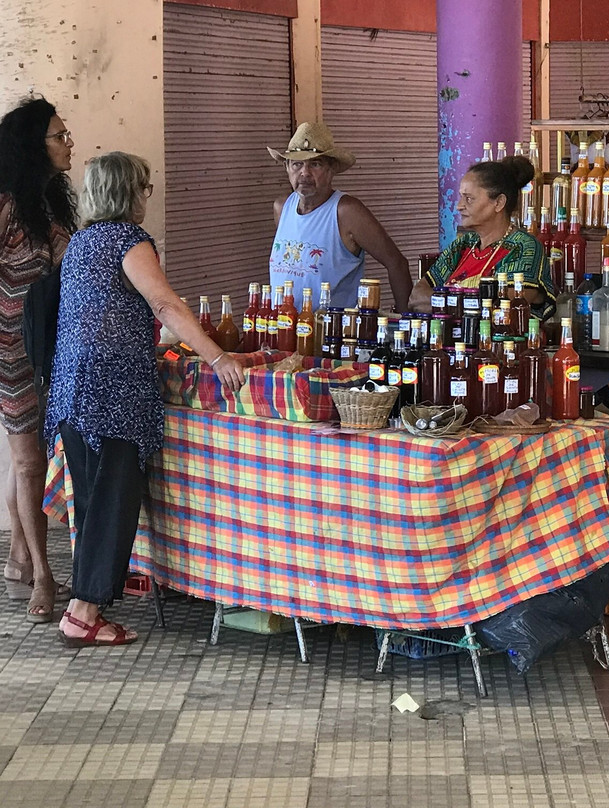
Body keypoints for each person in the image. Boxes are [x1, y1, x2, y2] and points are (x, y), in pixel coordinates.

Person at [45, 152, 245, 646]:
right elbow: (164, 303)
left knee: (92, 502)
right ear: (128, 191)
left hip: (73, 390)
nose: (145, 197)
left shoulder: (82, 243)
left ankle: (80, 607)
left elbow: (105, 315)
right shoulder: (128, 241)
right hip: (111, 393)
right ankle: (84, 612)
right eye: (144, 187)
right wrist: (217, 357)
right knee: (113, 502)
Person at [0, 97, 78, 622]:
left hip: (53, 348)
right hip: (10, 353)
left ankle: (17, 557)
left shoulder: (53, 203)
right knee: (29, 461)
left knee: (32, 460)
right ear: (34, 146)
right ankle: (45, 579)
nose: (69, 143)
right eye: (58, 136)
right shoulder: (6, 206)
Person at [268, 122, 412, 310]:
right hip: (283, 330)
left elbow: (397, 264)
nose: (304, 172)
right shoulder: (282, 208)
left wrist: (408, 324)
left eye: (315, 164)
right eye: (297, 164)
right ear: (287, 168)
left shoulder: (346, 211)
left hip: (331, 334)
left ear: (332, 169)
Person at [408, 156, 556, 319]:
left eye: (469, 198)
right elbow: (417, 296)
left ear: (499, 203)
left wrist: (443, 304)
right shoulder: (463, 244)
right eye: (461, 197)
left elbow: (505, 306)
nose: (459, 205)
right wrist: (469, 305)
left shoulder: (523, 247)